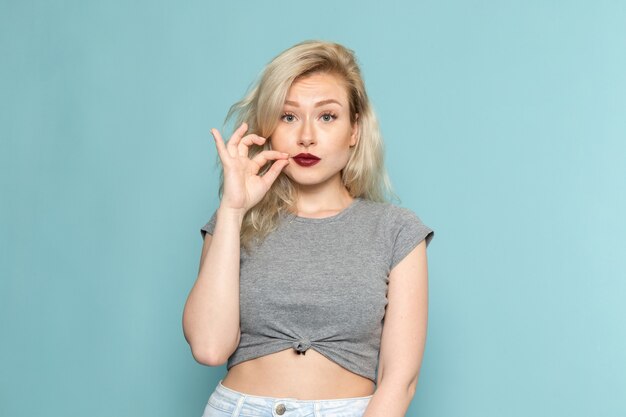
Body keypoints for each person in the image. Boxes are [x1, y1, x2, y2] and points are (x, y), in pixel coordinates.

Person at [183, 40, 434, 417]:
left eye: (327, 117)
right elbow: (208, 347)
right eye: (288, 117)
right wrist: (233, 210)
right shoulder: (234, 221)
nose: (306, 136)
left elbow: (400, 381)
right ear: (269, 128)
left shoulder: (396, 230)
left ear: (355, 130)